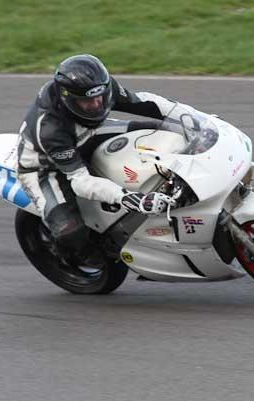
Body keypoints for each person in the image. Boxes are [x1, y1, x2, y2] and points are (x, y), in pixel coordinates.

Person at [16, 54, 177, 265]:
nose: (96, 104)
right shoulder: (50, 128)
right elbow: (80, 181)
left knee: (160, 129)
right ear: (69, 99)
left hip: (87, 134)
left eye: (99, 97)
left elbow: (145, 102)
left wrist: (186, 115)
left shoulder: (99, 88)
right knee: (69, 231)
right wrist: (128, 198)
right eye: (87, 101)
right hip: (46, 168)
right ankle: (70, 256)